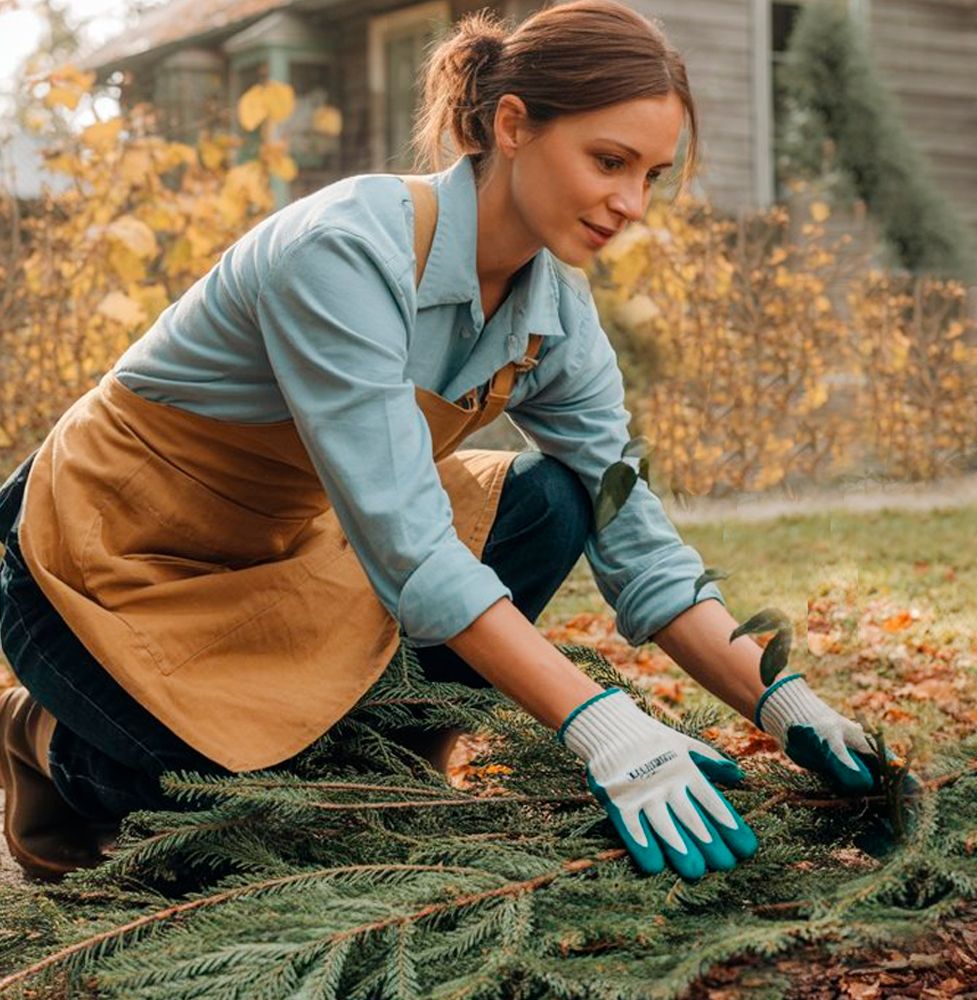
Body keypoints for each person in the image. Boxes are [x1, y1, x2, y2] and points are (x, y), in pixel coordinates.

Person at [0, 0, 903, 884]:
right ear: (513, 124)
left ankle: (391, 753)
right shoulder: (344, 254)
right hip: (95, 562)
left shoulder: (558, 320)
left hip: (277, 554)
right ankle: (40, 736)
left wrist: (784, 703)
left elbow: (634, 537)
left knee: (554, 501)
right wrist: (603, 725)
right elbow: (412, 547)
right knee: (225, 813)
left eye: (651, 176)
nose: (630, 203)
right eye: (609, 161)